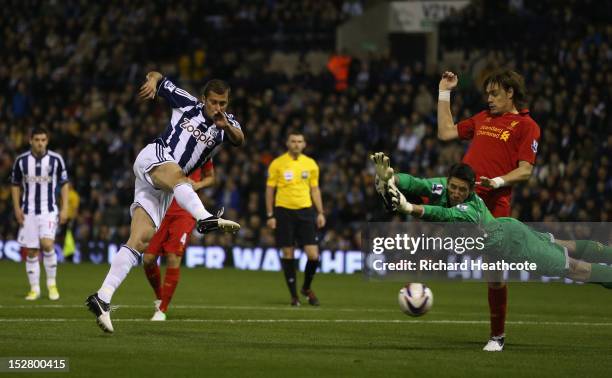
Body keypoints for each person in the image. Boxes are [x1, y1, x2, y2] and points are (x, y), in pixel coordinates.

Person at [86, 72, 244, 333]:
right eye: (214, 102)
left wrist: (225, 125)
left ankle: (102, 297)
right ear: (204, 99)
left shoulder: (226, 124)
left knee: (140, 239)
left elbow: (240, 139)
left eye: (223, 103)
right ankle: (204, 218)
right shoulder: (186, 102)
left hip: (163, 188)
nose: (218, 107)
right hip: (156, 157)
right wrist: (150, 81)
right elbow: (158, 77)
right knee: (179, 175)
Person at [371, 153, 612, 288]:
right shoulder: (443, 187)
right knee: (563, 245)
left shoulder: (470, 209)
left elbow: (443, 214)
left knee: (574, 269)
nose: (455, 193)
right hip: (510, 228)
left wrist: (407, 206)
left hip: (514, 246)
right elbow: (417, 183)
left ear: (470, 191)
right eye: (452, 187)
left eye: (461, 190)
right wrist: (393, 178)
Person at [436, 69, 541, 351]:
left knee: (494, 272)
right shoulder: (483, 118)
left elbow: (526, 170)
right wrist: (444, 91)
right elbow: (445, 132)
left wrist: (497, 181)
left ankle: (497, 336)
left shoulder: (526, 125)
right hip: (467, 199)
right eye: (487, 94)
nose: (489, 99)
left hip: (495, 203)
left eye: (495, 93)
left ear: (510, 92)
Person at [144, 159, 215, 321]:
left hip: (184, 212)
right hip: (162, 208)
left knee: (173, 257)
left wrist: (198, 185)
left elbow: (211, 177)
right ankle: (160, 297)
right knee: (148, 259)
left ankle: (162, 309)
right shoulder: (168, 148)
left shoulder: (204, 151)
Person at [266, 131, 325, 306]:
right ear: (287, 143)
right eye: (293, 141)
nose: (297, 144)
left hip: (306, 211)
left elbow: (315, 189)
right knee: (287, 252)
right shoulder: (277, 163)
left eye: (300, 141)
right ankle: (294, 297)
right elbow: (269, 190)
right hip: (283, 211)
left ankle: (306, 288)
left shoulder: (311, 164)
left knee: (313, 255)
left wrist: (320, 212)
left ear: (304, 144)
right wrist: (270, 214)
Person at [11, 127, 69, 301]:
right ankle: (34, 289)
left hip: (48, 210)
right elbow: (15, 185)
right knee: (32, 251)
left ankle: (51, 284)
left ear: (47, 141)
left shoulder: (56, 160)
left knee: (47, 244)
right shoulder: (21, 161)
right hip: (28, 212)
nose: (40, 143)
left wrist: (65, 207)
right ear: (30, 140)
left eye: (43, 140)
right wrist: (16, 208)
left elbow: (64, 183)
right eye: (37, 140)